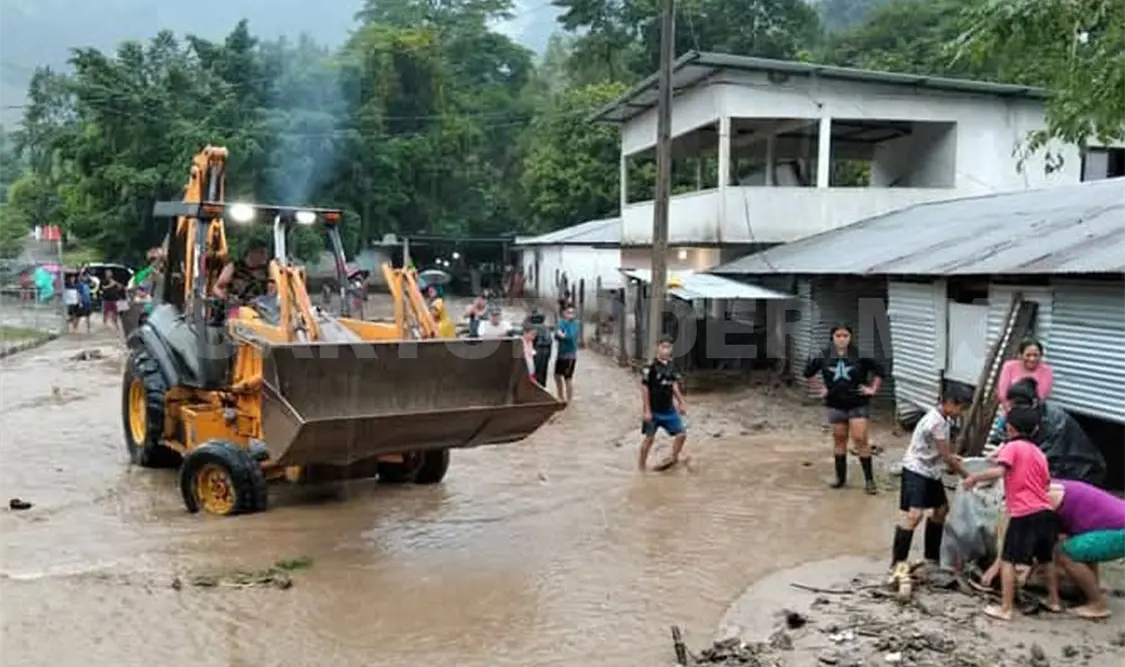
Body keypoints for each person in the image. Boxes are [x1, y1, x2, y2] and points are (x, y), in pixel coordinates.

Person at [963, 405, 1061, 621]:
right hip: (1045, 512)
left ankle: (1005, 609)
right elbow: (1045, 484)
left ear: (1009, 427)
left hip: (1024, 513)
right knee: (1046, 559)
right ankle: (1054, 601)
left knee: (1008, 559)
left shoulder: (1011, 447)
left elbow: (1000, 471)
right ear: (1035, 429)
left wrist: (974, 478)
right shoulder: (1039, 454)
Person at [891, 386, 974, 576]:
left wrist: (952, 457)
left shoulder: (942, 418)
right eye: (961, 409)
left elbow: (942, 451)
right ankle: (897, 563)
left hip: (930, 470)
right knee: (914, 516)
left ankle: (931, 557)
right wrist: (967, 476)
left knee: (941, 510)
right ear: (950, 403)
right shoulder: (936, 421)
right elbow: (946, 457)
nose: (961, 413)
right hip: (917, 469)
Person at [803, 324, 885, 494]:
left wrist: (873, 389)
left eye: (845, 335)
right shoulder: (823, 356)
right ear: (832, 337)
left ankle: (869, 480)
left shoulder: (860, 355)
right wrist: (820, 389)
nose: (842, 339)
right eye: (838, 335)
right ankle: (840, 479)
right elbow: (808, 373)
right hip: (835, 403)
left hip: (858, 403)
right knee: (839, 439)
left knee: (860, 439)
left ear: (850, 337)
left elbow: (880, 371)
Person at [1048, 479, 1125, 620]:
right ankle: (1089, 594)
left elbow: (1051, 546)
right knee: (1081, 549)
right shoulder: (1055, 485)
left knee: (1065, 553)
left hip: (1119, 530)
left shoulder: (1046, 496)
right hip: (1114, 525)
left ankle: (1097, 604)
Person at [638, 336, 688, 472]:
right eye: (663, 347)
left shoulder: (671, 366)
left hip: (669, 409)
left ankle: (673, 458)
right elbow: (644, 388)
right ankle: (641, 468)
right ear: (657, 348)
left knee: (682, 434)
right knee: (649, 439)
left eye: (668, 348)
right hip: (653, 410)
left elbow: (674, 385)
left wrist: (681, 402)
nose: (666, 351)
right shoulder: (650, 367)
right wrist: (647, 410)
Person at [214, 239, 270, 303]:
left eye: (266, 253)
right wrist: (225, 298)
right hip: (235, 308)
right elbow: (217, 288)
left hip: (260, 309)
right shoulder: (233, 267)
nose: (265, 256)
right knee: (233, 312)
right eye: (262, 252)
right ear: (252, 252)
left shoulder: (267, 269)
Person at [554, 305, 579, 403]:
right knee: (557, 375)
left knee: (568, 378)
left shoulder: (575, 324)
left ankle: (569, 400)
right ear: (564, 313)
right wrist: (560, 334)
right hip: (561, 354)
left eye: (572, 313)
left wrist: (562, 335)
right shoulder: (561, 322)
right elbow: (557, 334)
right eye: (568, 312)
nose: (571, 315)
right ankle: (560, 396)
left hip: (570, 355)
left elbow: (569, 337)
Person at [528, 309, 553, 387]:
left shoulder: (531, 327)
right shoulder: (546, 328)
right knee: (542, 374)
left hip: (536, 352)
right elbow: (550, 343)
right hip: (544, 353)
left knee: (533, 373)